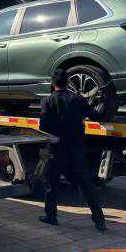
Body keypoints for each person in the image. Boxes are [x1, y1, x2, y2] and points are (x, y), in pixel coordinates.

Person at [39, 69, 106, 232]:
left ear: (53, 83)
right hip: (77, 148)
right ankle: (99, 220)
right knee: (86, 183)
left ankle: (51, 216)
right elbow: (95, 115)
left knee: (52, 182)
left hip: (57, 148)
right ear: (68, 82)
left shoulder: (47, 101)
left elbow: (43, 127)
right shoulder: (78, 99)